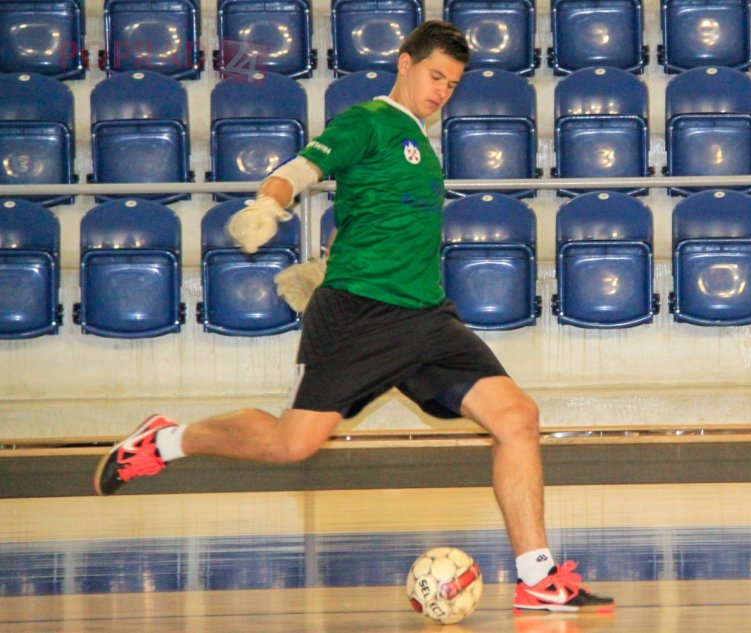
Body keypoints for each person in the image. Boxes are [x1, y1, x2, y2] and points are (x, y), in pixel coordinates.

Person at [93, 20, 614, 614]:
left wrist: (336, 249)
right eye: (435, 76)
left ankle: (537, 579)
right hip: (359, 315)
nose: (442, 91)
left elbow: (373, 216)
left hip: (426, 316)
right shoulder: (367, 121)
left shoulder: (420, 141)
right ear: (404, 63)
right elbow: (298, 171)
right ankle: (164, 441)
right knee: (292, 444)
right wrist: (268, 205)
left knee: (517, 417)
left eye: (452, 83)